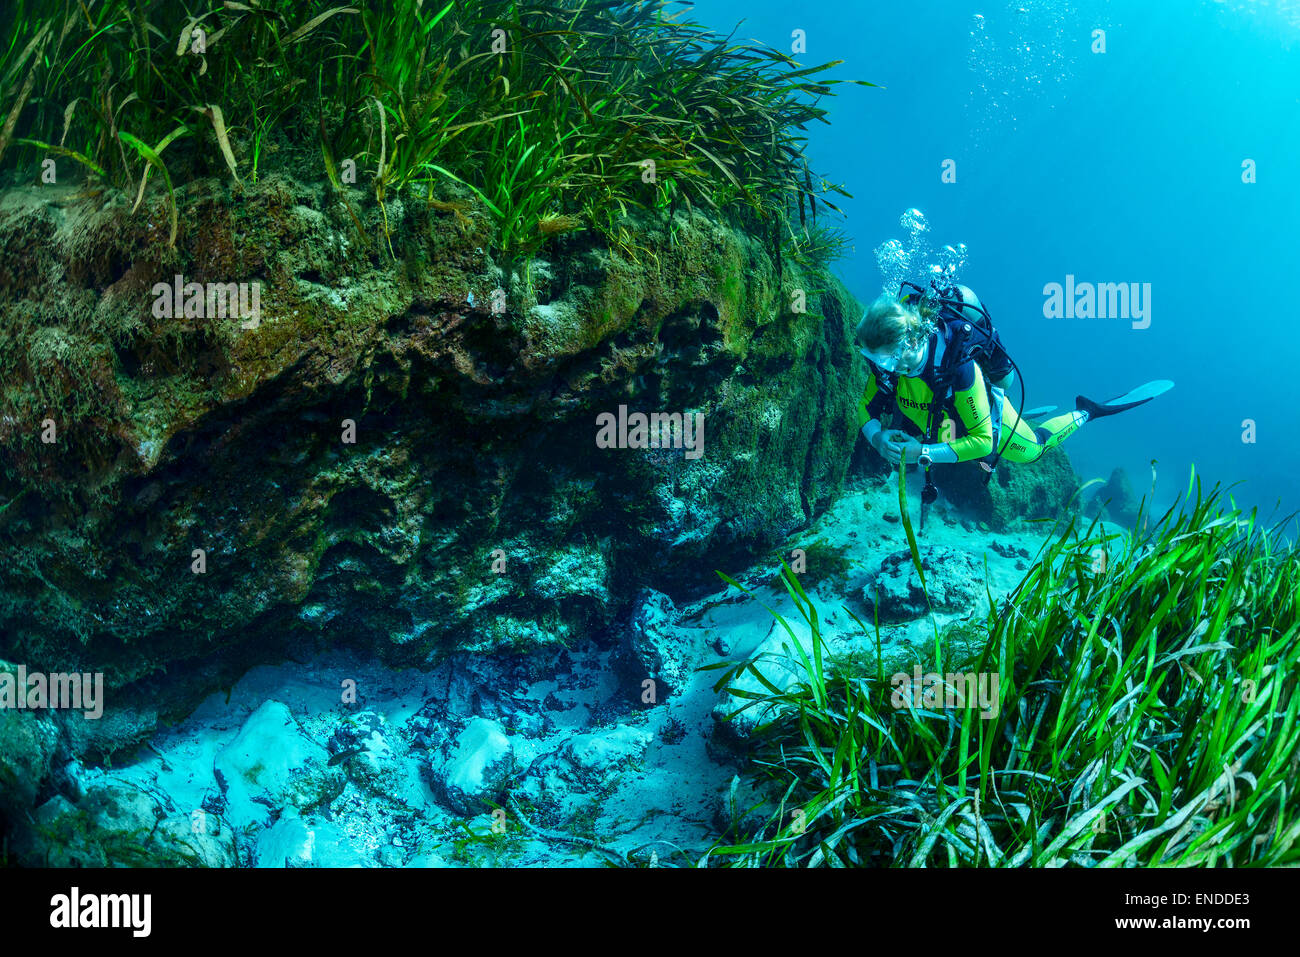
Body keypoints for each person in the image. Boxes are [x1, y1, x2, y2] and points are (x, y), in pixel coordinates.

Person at [855, 285, 1171, 469]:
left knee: (1031, 451)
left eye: (884, 357)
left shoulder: (956, 365)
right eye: (873, 358)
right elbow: (865, 407)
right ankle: (1018, 416)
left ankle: (1087, 411)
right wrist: (876, 436)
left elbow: (981, 443)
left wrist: (923, 454)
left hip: (973, 414)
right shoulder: (888, 362)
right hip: (934, 413)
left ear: (910, 341)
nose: (881, 366)